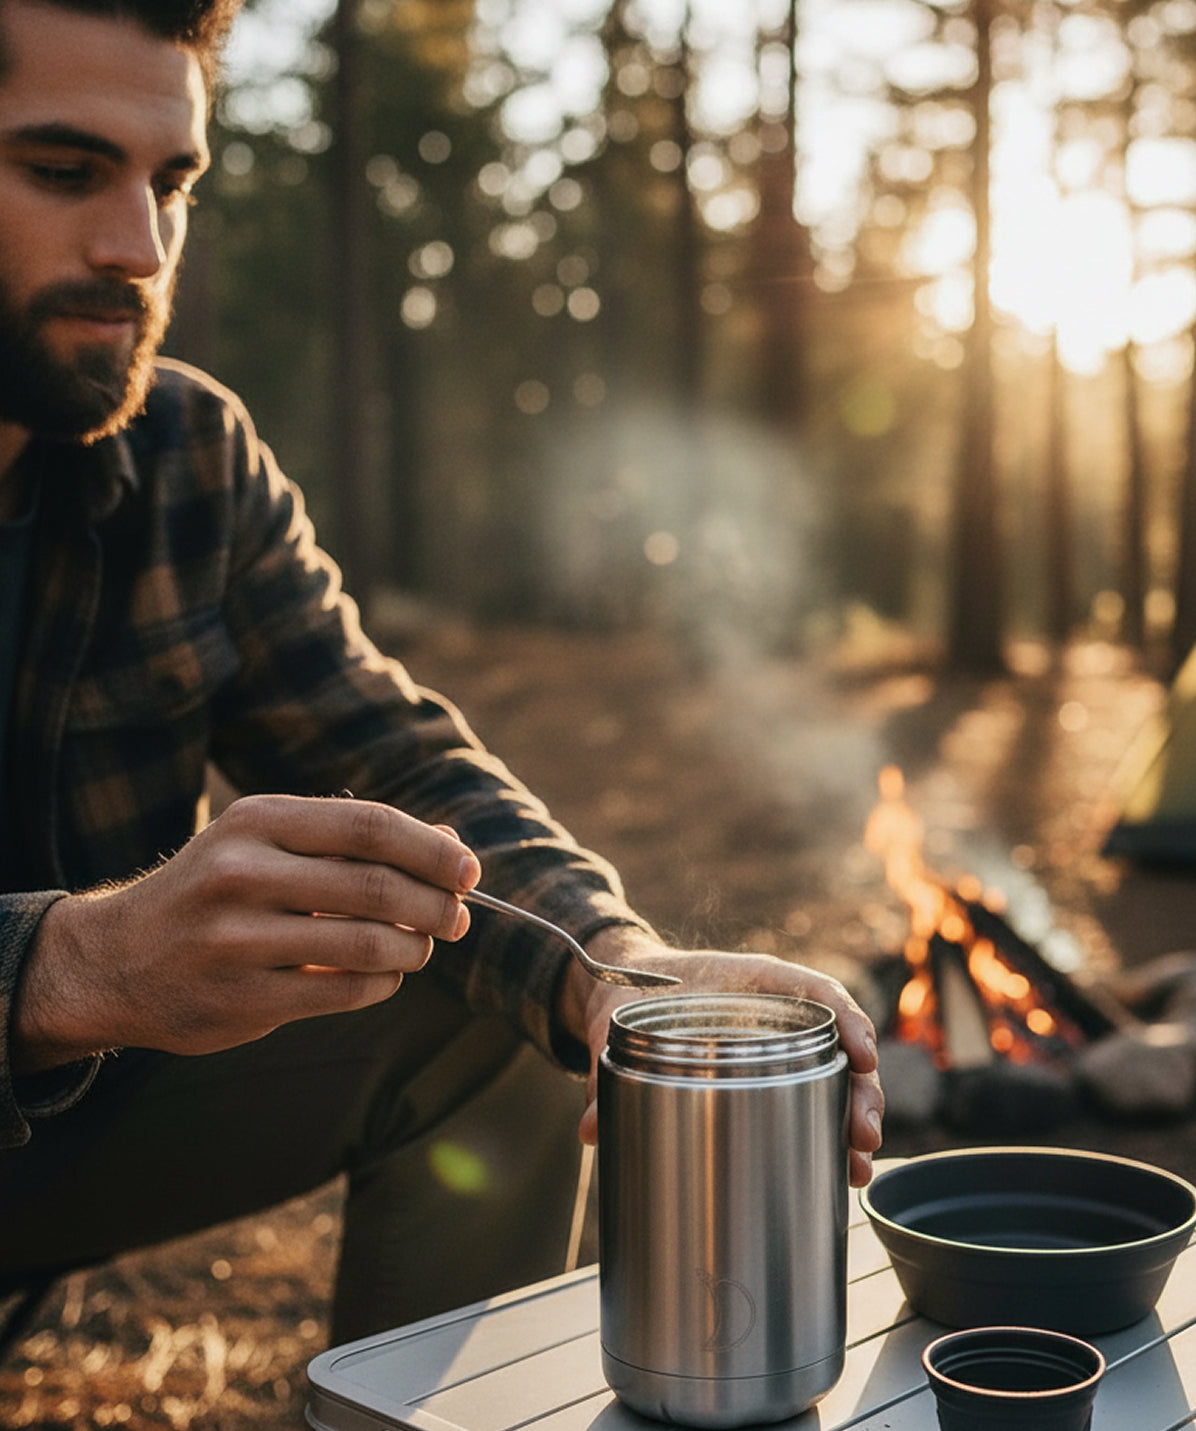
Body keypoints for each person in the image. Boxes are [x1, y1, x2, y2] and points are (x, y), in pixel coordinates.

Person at [0, 0, 884, 1347]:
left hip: (52, 1139)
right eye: (63, 172)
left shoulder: (185, 455)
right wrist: (69, 970)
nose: (136, 248)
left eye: (170, 182)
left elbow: (390, 755)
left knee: (500, 996)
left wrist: (611, 969)